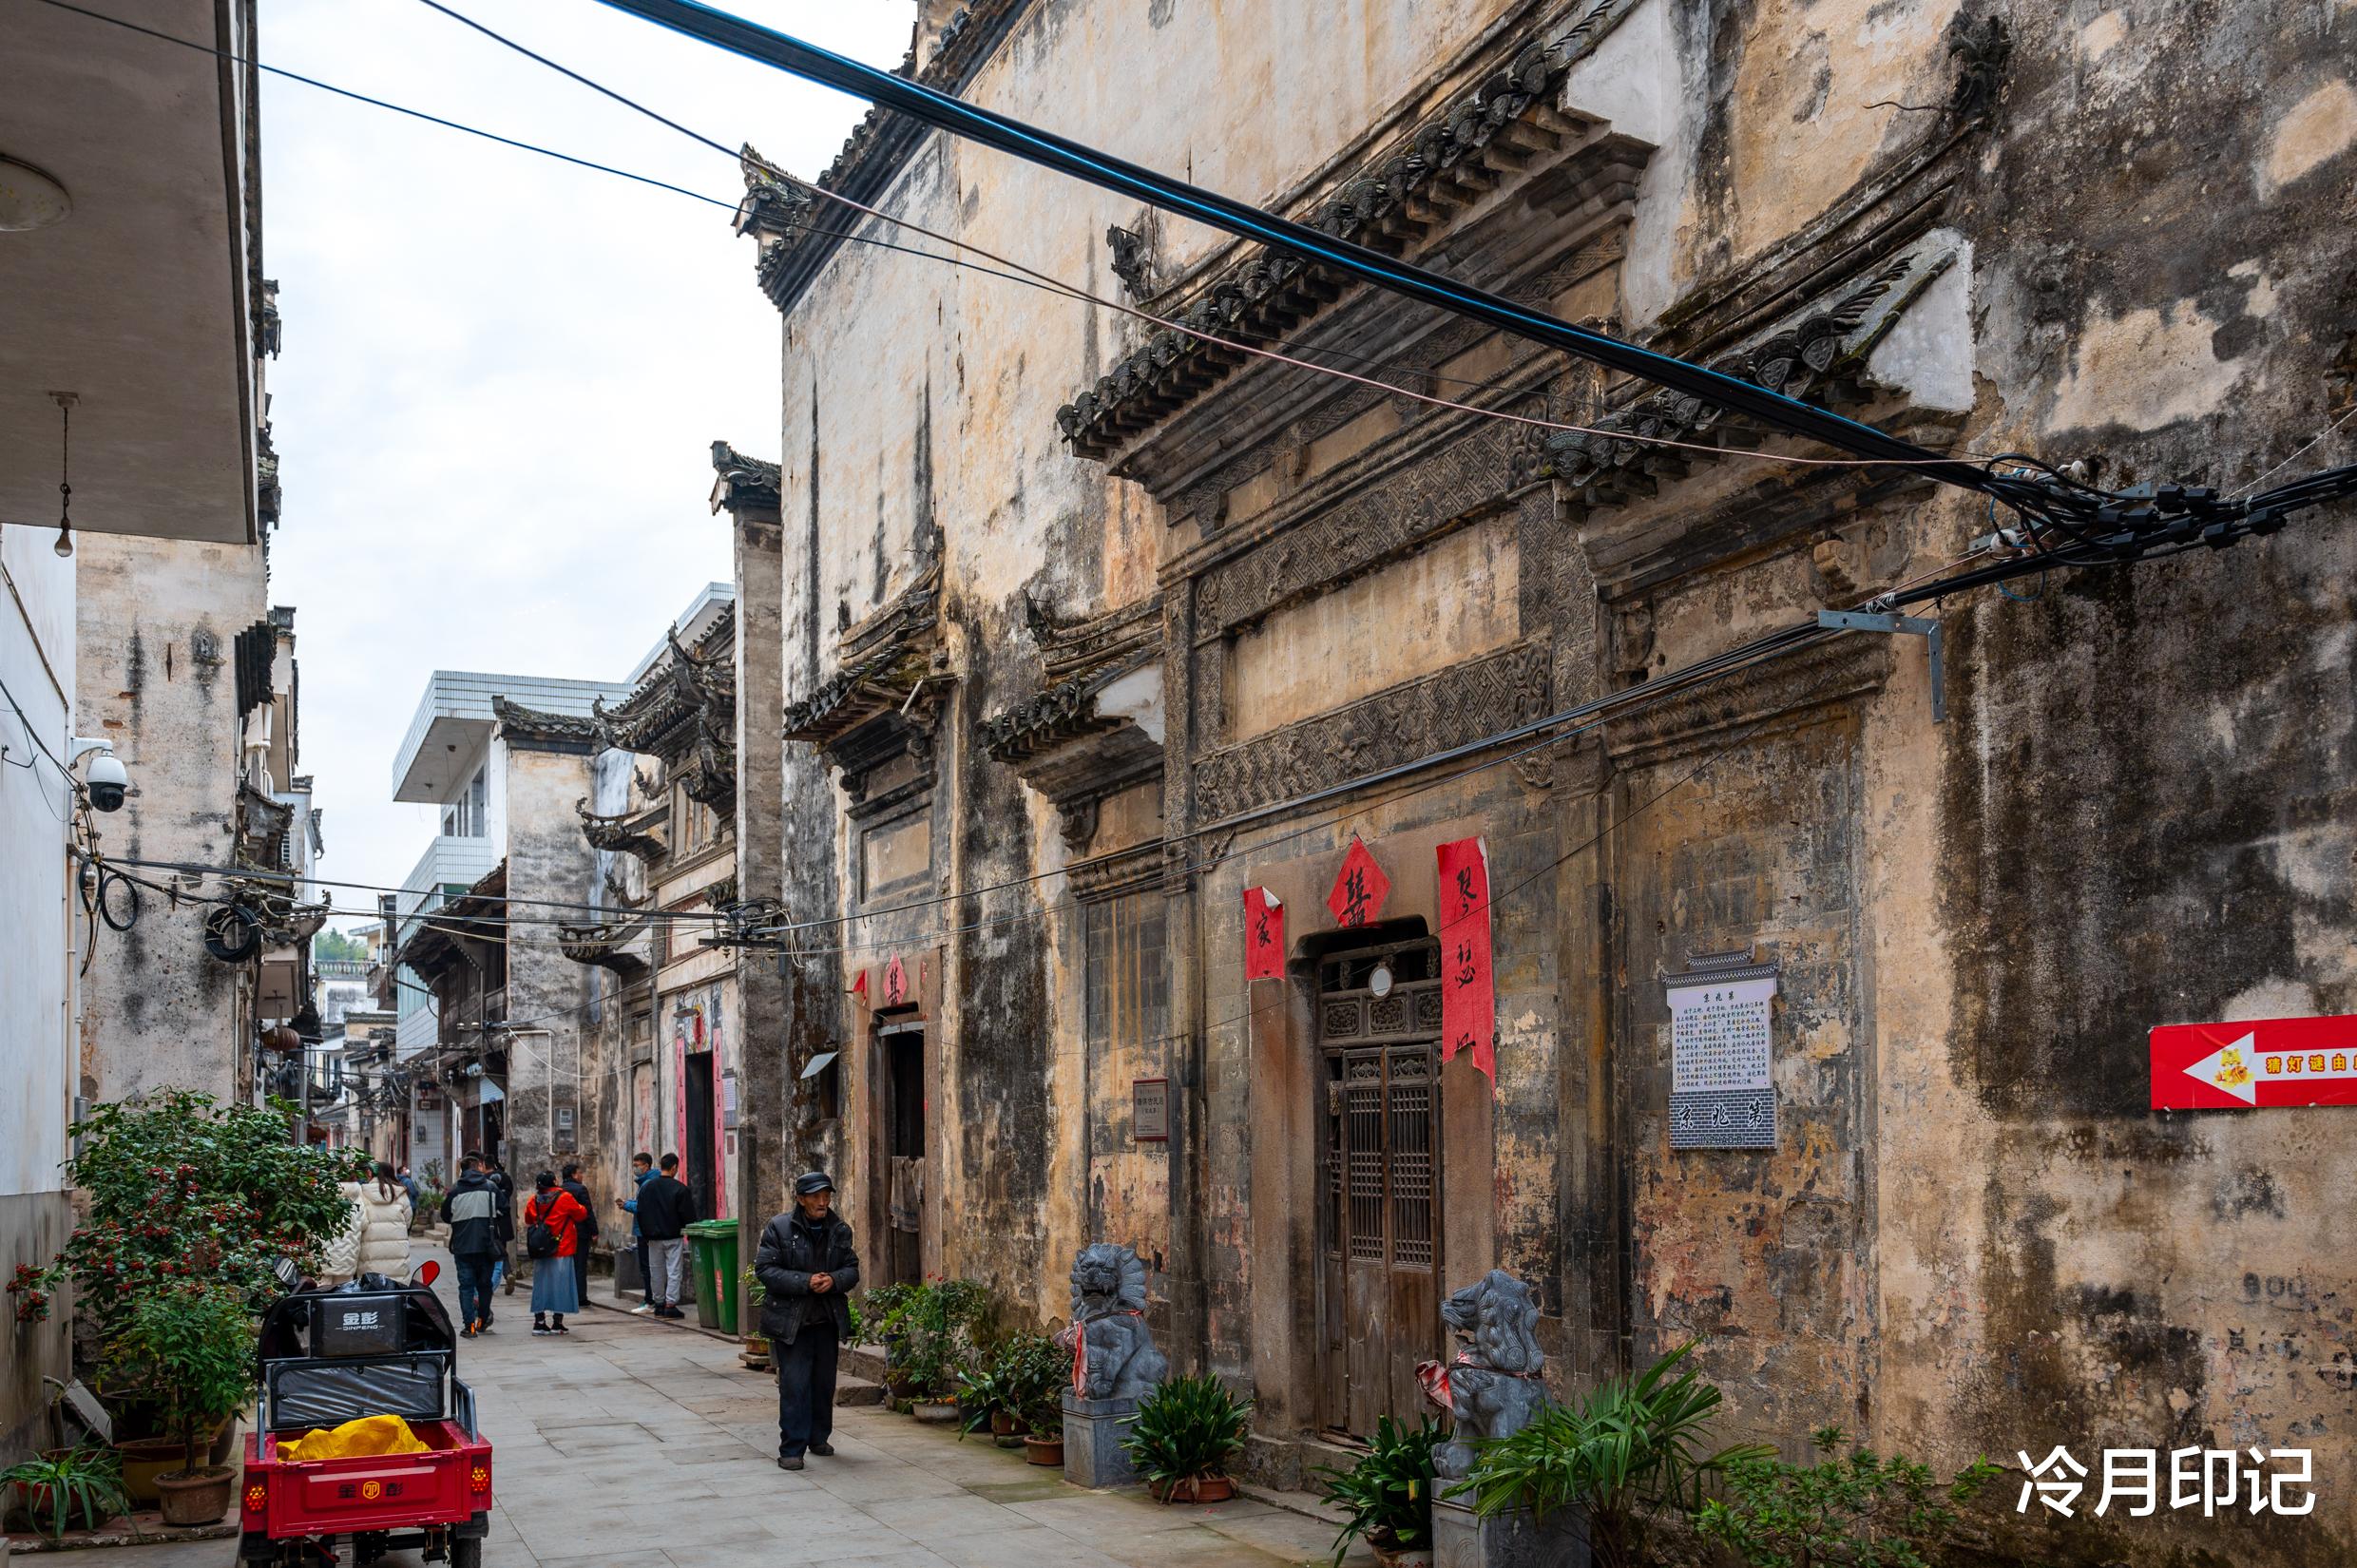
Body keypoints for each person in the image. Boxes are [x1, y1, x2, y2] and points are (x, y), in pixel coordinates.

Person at [754, 1171, 860, 1471]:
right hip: (792, 1323)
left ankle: (818, 1437)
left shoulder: (839, 1229)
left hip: (826, 1320)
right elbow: (765, 1270)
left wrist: (835, 1280)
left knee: (823, 1385)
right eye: (815, 1196)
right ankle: (792, 1449)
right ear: (801, 1199)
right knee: (795, 1385)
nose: (822, 1202)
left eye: (826, 1196)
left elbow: (852, 1268)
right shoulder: (779, 1228)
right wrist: (805, 1281)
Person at [442, 1156, 505, 1338]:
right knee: (484, 1285)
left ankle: (469, 1327)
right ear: (479, 1166)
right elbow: (504, 1207)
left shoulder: (455, 1191)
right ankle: (482, 1320)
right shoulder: (491, 1187)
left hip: (462, 1246)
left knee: (466, 1287)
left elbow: (446, 1215)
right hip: (487, 1245)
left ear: (461, 1169)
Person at [523, 1172, 588, 1336]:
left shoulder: (533, 1200)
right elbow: (581, 1213)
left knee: (540, 1285)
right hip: (562, 1246)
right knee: (561, 1285)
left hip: (541, 1248)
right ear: (554, 1181)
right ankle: (557, 1323)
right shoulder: (564, 1197)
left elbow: (528, 1219)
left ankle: (539, 1322)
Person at [634, 1154, 696, 1319]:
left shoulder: (647, 1187)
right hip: (673, 1236)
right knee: (674, 1271)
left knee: (656, 1271)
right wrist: (688, 1233)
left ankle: (659, 1304)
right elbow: (688, 1216)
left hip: (653, 1238)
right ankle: (670, 1304)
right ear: (674, 1167)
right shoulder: (680, 1189)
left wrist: (646, 1234)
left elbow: (640, 1212)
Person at [355, 1160, 413, 1281]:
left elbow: (360, 1222)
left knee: (373, 1293)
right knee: (397, 1292)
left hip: (370, 1257)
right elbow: (408, 1222)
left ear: (370, 1174)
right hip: (398, 1257)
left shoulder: (362, 1194)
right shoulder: (401, 1193)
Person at [615, 1152, 656, 1313]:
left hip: (645, 1230)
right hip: (645, 1229)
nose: (635, 1169)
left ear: (646, 1166)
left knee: (647, 1267)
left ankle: (650, 1300)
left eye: (637, 1166)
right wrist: (628, 1203)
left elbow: (643, 1207)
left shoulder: (648, 1183)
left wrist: (627, 1205)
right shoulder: (646, 1182)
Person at [559, 1161, 600, 1312]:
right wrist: (594, 1231)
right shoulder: (580, 1189)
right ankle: (581, 1297)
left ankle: (564, 1295)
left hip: (562, 1233)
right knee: (580, 1265)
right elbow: (588, 1212)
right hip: (580, 1233)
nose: (582, 1176)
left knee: (564, 1265)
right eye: (580, 1173)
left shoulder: (559, 1190)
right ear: (574, 1175)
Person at [486, 1157, 517, 1297]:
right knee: (501, 1249)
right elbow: (509, 1194)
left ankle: (496, 1279)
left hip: (490, 1222)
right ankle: (508, 1273)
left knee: (495, 1253)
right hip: (503, 1220)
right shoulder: (505, 1177)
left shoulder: (484, 1181)